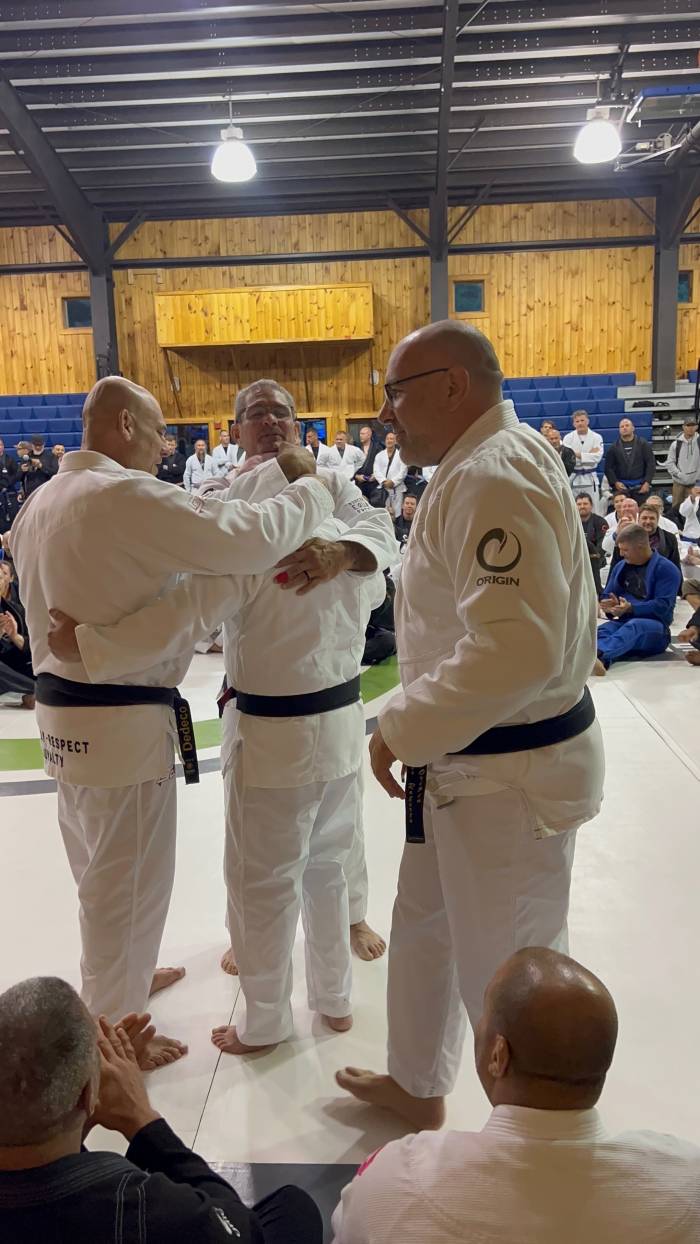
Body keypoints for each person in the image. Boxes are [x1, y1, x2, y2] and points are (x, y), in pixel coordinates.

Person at [50, 378, 396, 1052]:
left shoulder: (292, 501)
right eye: (257, 413)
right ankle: (334, 1000)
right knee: (323, 867)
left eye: (282, 412)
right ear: (235, 430)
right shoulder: (260, 500)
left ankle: (267, 1021)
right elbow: (378, 564)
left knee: (268, 878)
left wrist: (91, 645)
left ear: (298, 425)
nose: (271, 421)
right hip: (324, 720)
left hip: (285, 727)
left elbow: (190, 614)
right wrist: (350, 554)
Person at [336, 321, 604, 1130]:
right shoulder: (477, 464)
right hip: (463, 766)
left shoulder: (494, 472)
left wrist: (399, 724)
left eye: (397, 392)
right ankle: (418, 1084)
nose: (386, 414)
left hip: (506, 780)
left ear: (454, 385)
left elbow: (515, 647)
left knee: (509, 978)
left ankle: (529, 1149)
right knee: (425, 926)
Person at [331, 948, 700, 1244]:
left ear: (498, 1055)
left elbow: (346, 1228)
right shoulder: (687, 1182)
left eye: (483, 1018)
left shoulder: (395, 1182)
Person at [0, 977, 323, 1244]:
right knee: (294, 1207)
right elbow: (241, 1230)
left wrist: (80, 1118)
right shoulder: (144, 1209)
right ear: (88, 1094)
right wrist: (143, 1122)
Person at [594, 523, 681, 675]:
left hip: (657, 628)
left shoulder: (667, 569)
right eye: (620, 549)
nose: (621, 554)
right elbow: (608, 594)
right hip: (623, 621)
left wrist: (631, 608)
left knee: (634, 627)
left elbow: (663, 606)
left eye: (625, 550)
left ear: (640, 547)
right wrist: (609, 605)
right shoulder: (621, 567)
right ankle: (600, 658)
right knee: (601, 631)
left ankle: (598, 655)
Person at [609, 504, 681, 576]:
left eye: (652, 518)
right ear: (638, 520)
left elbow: (676, 566)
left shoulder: (669, 538)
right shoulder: (626, 537)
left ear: (657, 520)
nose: (648, 522)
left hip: (660, 578)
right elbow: (615, 564)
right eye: (644, 518)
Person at [0, 559, 34, 708]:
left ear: (7, 581)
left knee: (40, 660)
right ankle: (32, 689)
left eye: (0, 577)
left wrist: (15, 636)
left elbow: (30, 646)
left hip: (13, 663)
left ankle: (32, 689)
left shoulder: (16, 610)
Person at [604, 417, 655, 504]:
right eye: (622, 426)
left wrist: (647, 482)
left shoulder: (643, 444)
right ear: (619, 430)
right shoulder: (613, 447)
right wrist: (615, 482)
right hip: (622, 487)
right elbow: (608, 468)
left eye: (627, 425)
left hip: (640, 486)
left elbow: (651, 464)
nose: (624, 428)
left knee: (641, 510)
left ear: (633, 428)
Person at [563, 410, 604, 505]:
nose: (580, 423)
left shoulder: (597, 437)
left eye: (582, 420)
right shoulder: (568, 438)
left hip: (590, 479)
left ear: (587, 421)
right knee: (574, 508)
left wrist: (577, 454)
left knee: (594, 507)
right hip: (573, 479)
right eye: (577, 421)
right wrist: (588, 455)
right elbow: (568, 458)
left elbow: (597, 457)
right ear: (573, 424)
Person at [663, 415, 700, 508]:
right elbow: (670, 463)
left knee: (695, 509)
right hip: (678, 484)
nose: (690, 428)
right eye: (688, 425)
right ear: (683, 427)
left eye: (693, 425)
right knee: (676, 509)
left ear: (696, 427)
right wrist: (679, 474)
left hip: (696, 484)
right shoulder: (675, 444)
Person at [575, 493, 608, 595]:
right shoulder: (571, 522)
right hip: (577, 560)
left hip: (596, 560)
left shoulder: (600, 522)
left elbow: (603, 544)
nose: (582, 506)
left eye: (585, 504)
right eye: (579, 504)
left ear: (591, 506)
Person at [371, 430, 407, 517]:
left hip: (397, 488)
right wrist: (384, 481)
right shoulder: (379, 455)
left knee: (397, 513)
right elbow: (376, 470)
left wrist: (393, 482)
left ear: (395, 441)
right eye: (387, 439)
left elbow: (403, 471)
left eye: (391, 439)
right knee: (384, 513)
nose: (389, 440)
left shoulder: (401, 455)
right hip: (383, 488)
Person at [354, 425, 382, 498]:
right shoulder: (356, 448)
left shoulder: (377, 448)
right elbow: (351, 465)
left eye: (363, 434)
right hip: (359, 483)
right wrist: (356, 476)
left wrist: (376, 475)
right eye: (360, 434)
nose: (360, 436)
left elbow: (382, 464)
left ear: (369, 435)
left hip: (373, 483)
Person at [0, 438, 18, 534]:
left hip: (9, 493)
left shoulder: (10, 460)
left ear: (3, 446)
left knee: (12, 519)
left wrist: (6, 484)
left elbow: (16, 475)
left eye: (0, 445)